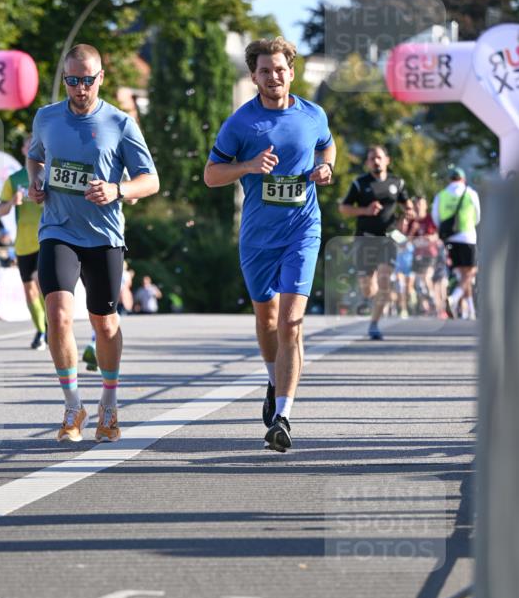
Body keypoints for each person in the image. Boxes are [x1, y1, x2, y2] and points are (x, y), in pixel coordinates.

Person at [204, 36, 335, 453]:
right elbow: (211, 174)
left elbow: (326, 144)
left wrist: (326, 166)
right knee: (268, 322)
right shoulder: (241, 123)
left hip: (303, 229)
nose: (273, 76)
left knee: (293, 323)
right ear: (254, 76)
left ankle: (283, 416)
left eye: (280, 69)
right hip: (258, 236)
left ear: (291, 71)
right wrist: (246, 166)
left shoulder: (312, 114)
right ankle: (273, 378)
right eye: (265, 71)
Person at [27, 42, 159, 444]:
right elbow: (36, 157)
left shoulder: (120, 123)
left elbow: (150, 180)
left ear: (101, 78)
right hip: (58, 230)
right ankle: (72, 406)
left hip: (103, 236)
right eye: (72, 80)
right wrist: (36, 180)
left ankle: (109, 404)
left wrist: (117, 189)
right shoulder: (46, 118)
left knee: (104, 323)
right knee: (59, 316)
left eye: (87, 80)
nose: (80, 88)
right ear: (65, 79)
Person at [339, 145, 413, 341]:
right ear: (367, 163)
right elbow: (344, 208)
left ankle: (374, 324)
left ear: (387, 160)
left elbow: (408, 206)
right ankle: (370, 300)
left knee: (384, 281)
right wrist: (365, 210)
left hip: (388, 239)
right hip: (365, 238)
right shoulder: (360, 183)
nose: (376, 161)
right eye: (372, 158)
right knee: (367, 287)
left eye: (379, 157)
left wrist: (409, 213)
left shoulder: (397, 183)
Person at [0, 134, 47, 349]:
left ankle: (50, 326)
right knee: (29, 290)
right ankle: (41, 330)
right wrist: (11, 202)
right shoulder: (15, 179)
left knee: (40, 282)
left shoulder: (49, 174)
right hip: (23, 243)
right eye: (28, 145)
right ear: (24, 150)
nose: (32, 149)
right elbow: (0, 210)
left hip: (45, 239)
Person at [431, 166, 480, 320]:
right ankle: (454, 298)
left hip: (450, 238)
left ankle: (470, 310)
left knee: (463, 275)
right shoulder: (470, 193)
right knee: (471, 272)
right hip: (467, 236)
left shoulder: (442, 195)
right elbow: (478, 216)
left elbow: (435, 217)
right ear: (463, 179)